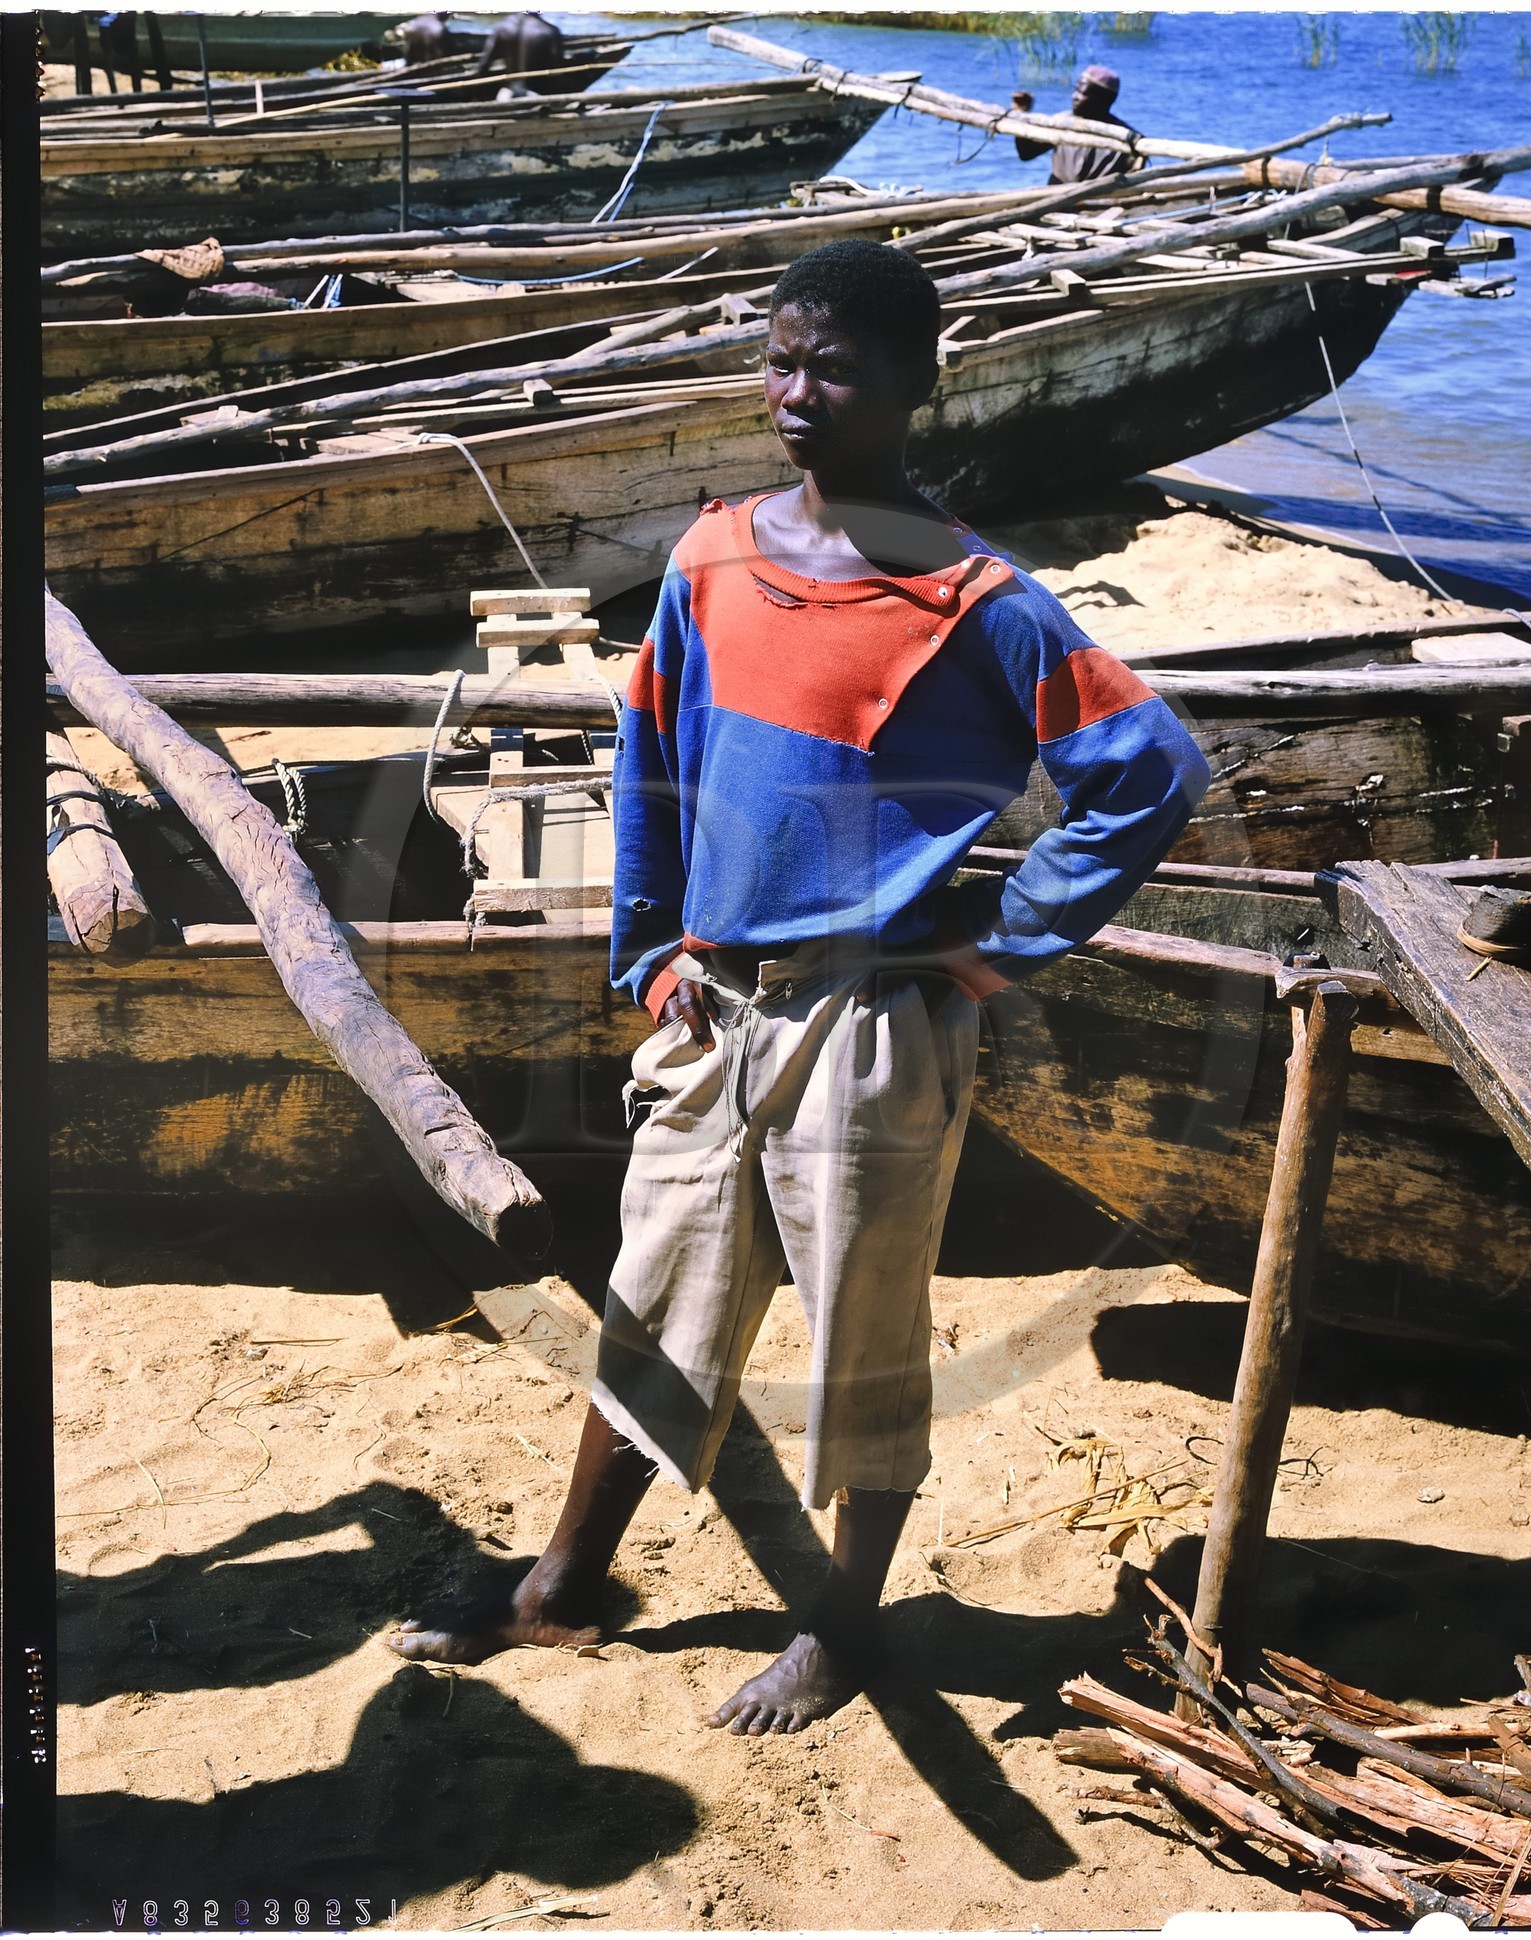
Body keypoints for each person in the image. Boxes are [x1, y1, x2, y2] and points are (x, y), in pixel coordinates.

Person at [388, 241, 1210, 1736]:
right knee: (650, 1303)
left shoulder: (980, 601)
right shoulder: (713, 556)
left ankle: (840, 1630)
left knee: (862, 1336)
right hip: (721, 1008)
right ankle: (562, 1583)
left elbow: (1151, 771)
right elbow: (648, 759)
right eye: (779, 358)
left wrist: (1005, 940)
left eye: (835, 367)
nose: (797, 392)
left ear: (916, 382)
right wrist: (648, 946)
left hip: (875, 1031)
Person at [1012, 63, 1140, 186]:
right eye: (1076, 90)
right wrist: (1021, 112)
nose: (1075, 96)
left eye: (1082, 93)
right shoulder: (1061, 122)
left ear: (1103, 100)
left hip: (1098, 201)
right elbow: (1026, 153)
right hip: (1056, 197)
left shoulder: (1125, 137)